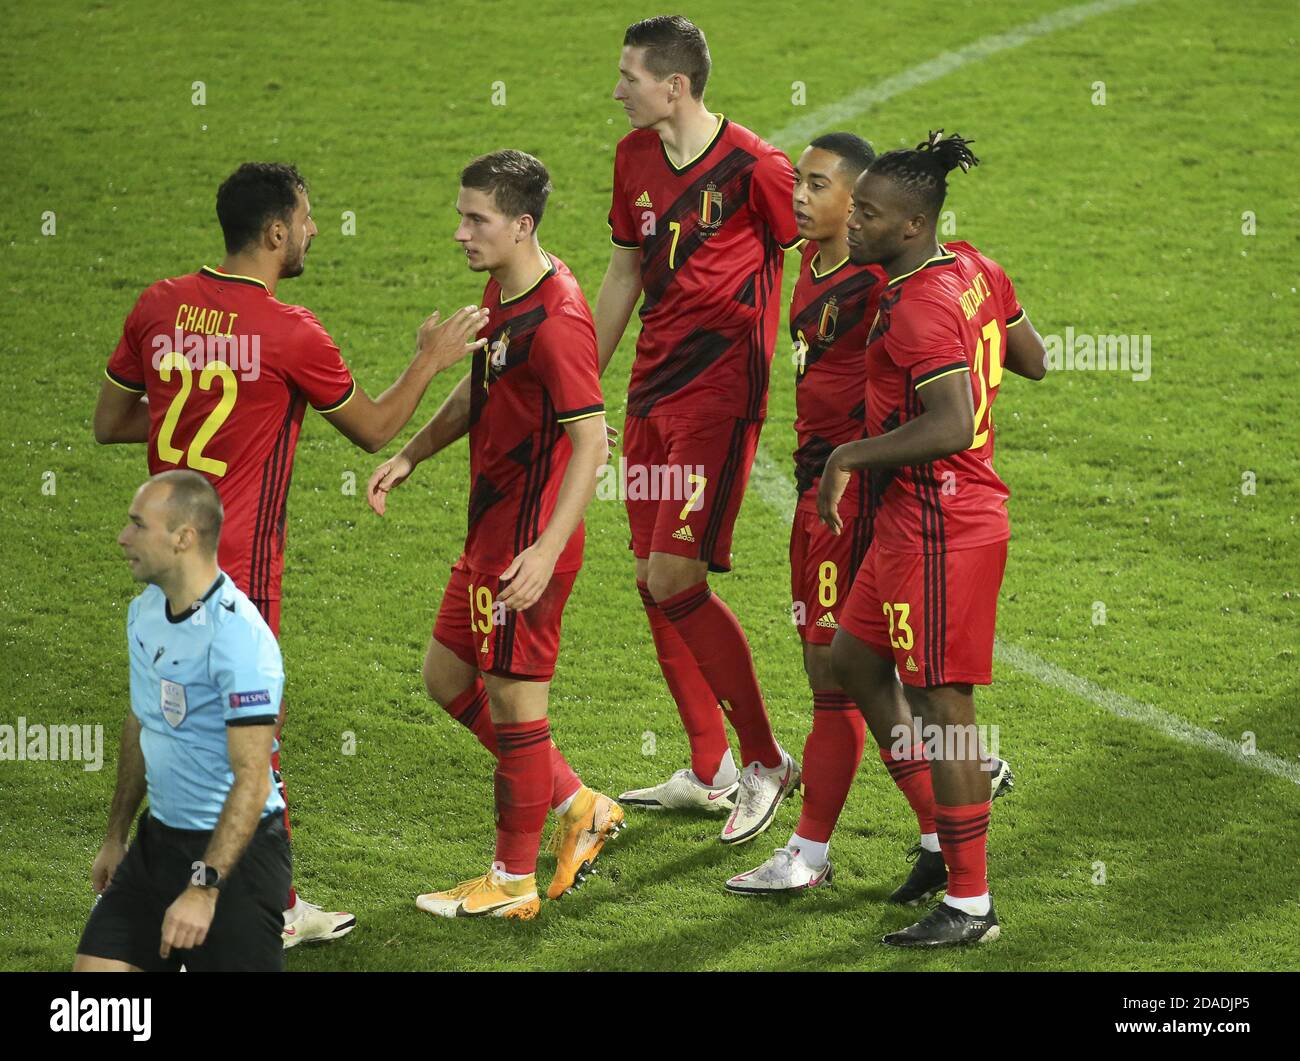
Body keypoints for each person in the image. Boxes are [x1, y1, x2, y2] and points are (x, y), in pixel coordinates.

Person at [91, 161, 488, 946]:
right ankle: (266, 905)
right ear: (275, 232)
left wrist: (202, 401)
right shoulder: (289, 331)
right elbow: (375, 429)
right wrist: (431, 361)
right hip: (232, 563)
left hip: (159, 551)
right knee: (249, 731)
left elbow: (112, 420)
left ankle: (140, 864)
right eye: (306, 220)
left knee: (163, 703)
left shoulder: (158, 304)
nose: (311, 231)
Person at [368, 150, 619, 919]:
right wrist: (411, 452)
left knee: (515, 706)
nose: (460, 232)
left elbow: (595, 442)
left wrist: (544, 550)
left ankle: (512, 881)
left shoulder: (560, 320)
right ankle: (580, 803)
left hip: (525, 548)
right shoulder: (505, 289)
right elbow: (483, 386)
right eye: (461, 215)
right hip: (490, 536)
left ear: (521, 224)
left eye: (475, 219)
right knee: (447, 676)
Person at [818, 131, 1047, 946]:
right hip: (907, 525)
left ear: (911, 226)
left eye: (869, 213)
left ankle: (972, 904)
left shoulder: (918, 305)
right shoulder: (972, 265)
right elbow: (1035, 358)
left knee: (947, 709)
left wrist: (850, 452)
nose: (852, 219)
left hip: (945, 525)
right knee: (854, 659)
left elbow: (950, 424)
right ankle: (935, 829)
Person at [597, 15, 803, 844]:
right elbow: (620, 273)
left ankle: (765, 760)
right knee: (652, 578)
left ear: (674, 85)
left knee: (676, 574)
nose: (617, 91)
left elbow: (828, 247)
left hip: (720, 398)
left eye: (629, 77)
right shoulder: (632, 159)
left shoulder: (759, 168)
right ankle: (710, 765)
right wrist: (581, 389)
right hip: (649, 389)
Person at [76, 471, 291, 971]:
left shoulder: (238, 640)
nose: (122, 538)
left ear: (183, 538)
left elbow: (253, 779)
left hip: (238, 860)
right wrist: (116, 835)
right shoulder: (145, 611)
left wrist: (204, 888)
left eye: (137, 525)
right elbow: (141, 721)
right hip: (158, 842)